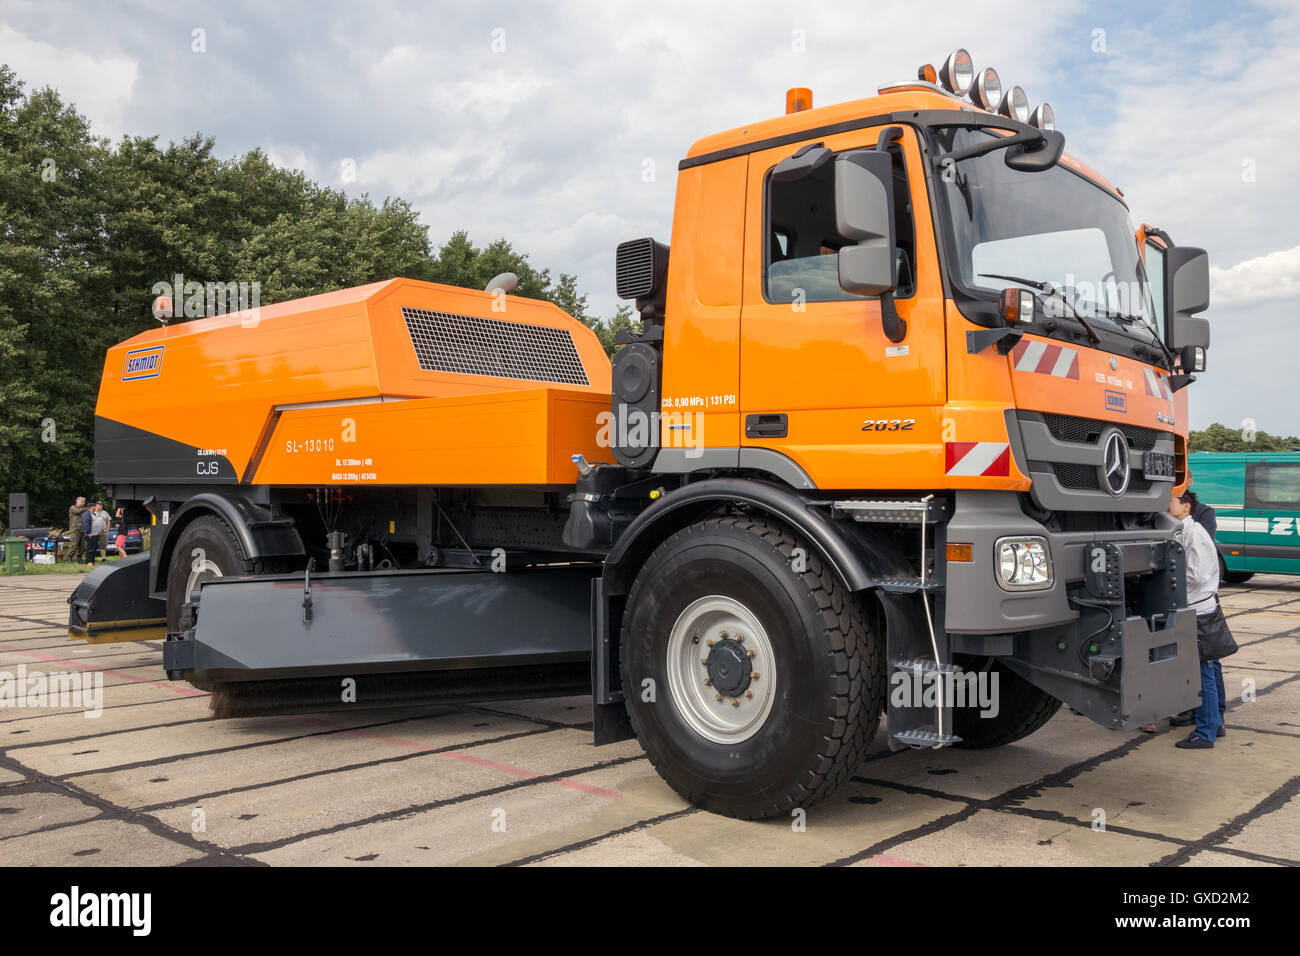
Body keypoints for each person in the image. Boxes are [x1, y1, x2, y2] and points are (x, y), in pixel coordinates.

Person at [1168, 490, 1228, 749]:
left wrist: (1169, 583)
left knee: (1203, 672)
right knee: (1210, 669)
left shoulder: (1194, 533)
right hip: (1199, 608)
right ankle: (1214, 723)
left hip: (1198, 610)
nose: (1166, 505)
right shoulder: (1185, 531)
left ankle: (1205, 733)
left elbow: (1199, 575)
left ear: (1186, 507)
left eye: (1171, 501)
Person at [66, 496, 87, 563]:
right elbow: (77, 512)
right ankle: (69, 558)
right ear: (77, 501)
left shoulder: (84, 510)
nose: (83, 503)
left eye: (84, 502)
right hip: (75, 530)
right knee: (73, 544)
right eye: (82, 501)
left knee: (82, 546)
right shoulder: (73, 507)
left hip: (82, 529)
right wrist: (86, 508)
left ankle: (79, 558)